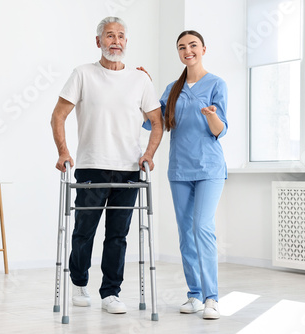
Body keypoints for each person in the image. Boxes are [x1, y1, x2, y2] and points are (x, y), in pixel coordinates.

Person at [50, 16, 163, 315]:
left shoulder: (140, 79)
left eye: (121, 36)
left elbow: (157, 122)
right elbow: (58, 115)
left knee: (118, 234)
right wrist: (63, 152)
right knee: (84, 231)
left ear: (126, 42)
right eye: (110, 36)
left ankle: (111, 293)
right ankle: (78, 282)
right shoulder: (83, 74)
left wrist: (148, 154)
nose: (116, 41)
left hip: (129, 169)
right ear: (98, 41)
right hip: (91, 165)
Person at [160, 30, 227, 320]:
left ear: (203, 49)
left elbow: (219, 130)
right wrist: (141, 85)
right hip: (179, 170)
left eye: (193, 46)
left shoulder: (216, 84)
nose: (188, 51)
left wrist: (211, 114)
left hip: (209, 169)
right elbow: (155, 122)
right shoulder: (172, 89)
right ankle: (195, 294)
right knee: (186, 234)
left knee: (202, 227)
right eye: (182, 47)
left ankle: (212, 297)